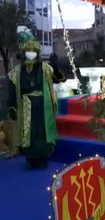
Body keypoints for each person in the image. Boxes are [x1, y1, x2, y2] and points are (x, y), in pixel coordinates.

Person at [7, 26, 65, 169]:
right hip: (25, 105)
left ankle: (42, 157)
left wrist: (56, 67)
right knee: (28, 132)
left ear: (37, 52)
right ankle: (30, 158)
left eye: (34, 51)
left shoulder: (45, 68)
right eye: (28, 51)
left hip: (43, 106)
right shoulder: (16, 71)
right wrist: (12, 107)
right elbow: (12, 90)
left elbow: (59, 79)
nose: (31, 53)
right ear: (23, 52)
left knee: (42, 131)